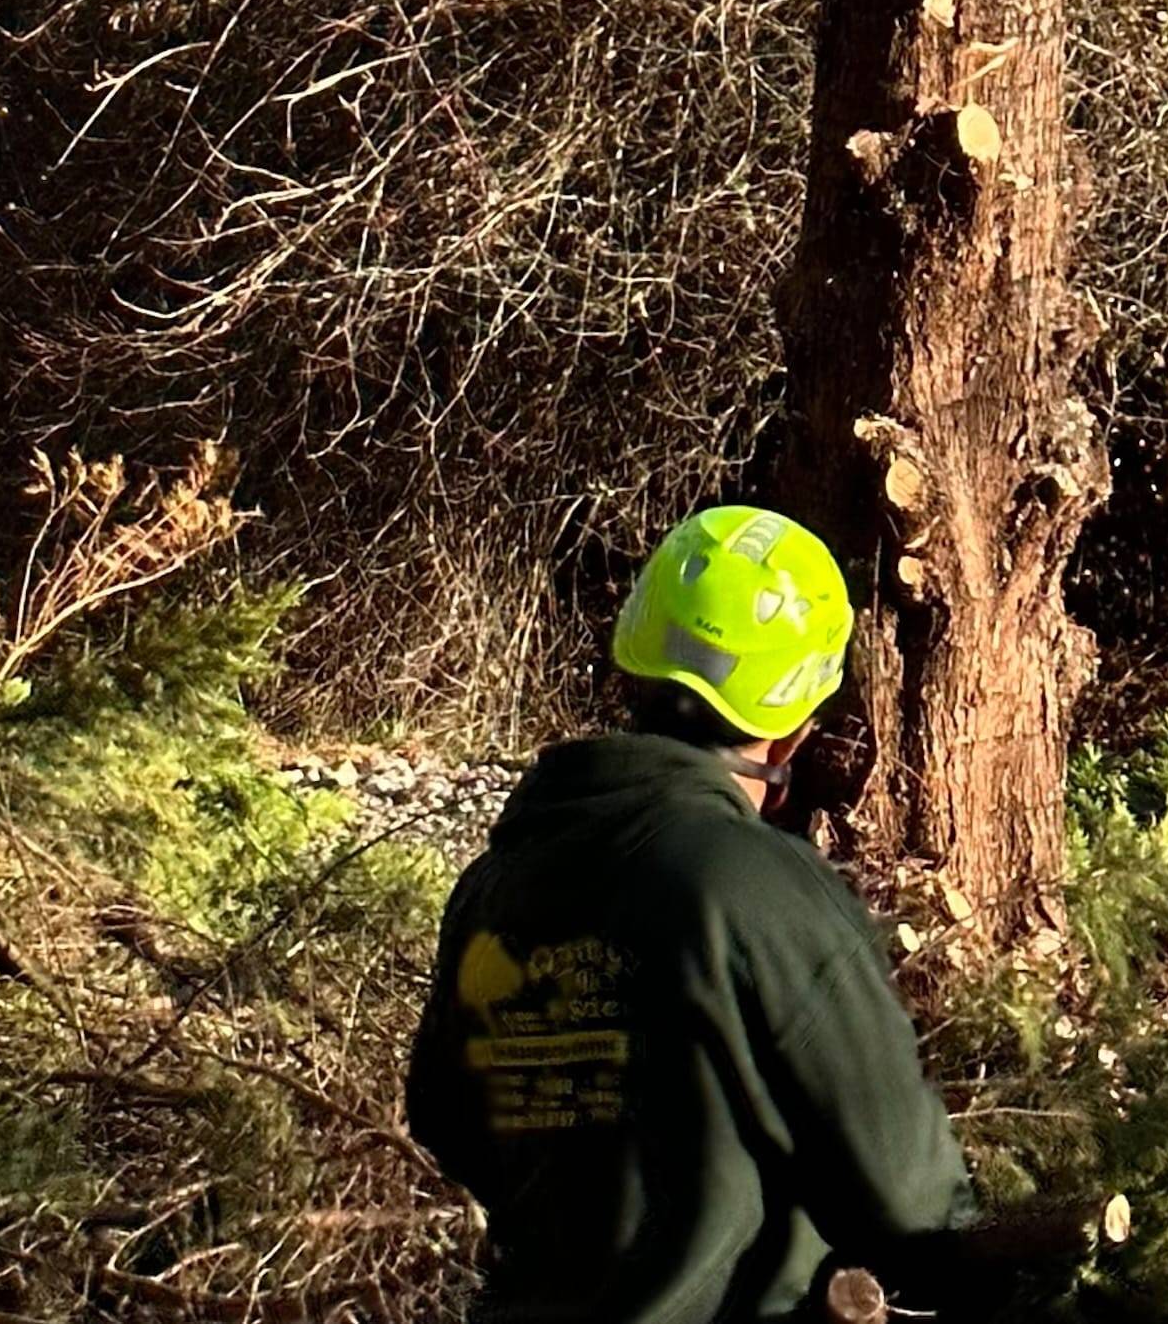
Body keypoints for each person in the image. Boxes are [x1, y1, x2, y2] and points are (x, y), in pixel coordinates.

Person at [407, 503, 975, 1324]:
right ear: (792, 732)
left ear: (635, 668)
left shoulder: (497, 882)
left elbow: (448, 1122)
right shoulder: (756, 886)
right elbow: (908, 1194)